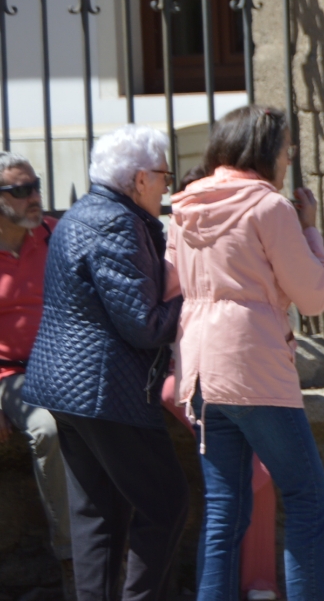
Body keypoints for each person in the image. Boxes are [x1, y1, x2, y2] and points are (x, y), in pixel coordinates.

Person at [168, 104, 324, 601]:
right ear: (265, 152)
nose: (288, 161)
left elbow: (172, 281)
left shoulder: (185, 206)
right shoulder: (269, 207)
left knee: (225, 510)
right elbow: (313, 296)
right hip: (253, 362)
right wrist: (311, 231)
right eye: (286, 151)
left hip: (199, 366)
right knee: (310, 499)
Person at [24, 125, 187, 601]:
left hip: (65, 390)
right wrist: (199, 295)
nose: (166, 186)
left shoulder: (80, 214)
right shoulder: (116, 222)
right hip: (104, 391)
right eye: (163, 175)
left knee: (99, 513)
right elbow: (145, 324)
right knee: (166, 503)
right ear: (140, 179)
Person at [0, 152, 73, 585]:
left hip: (67, 366)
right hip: (13, 374)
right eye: (20, 190)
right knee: (47, 430)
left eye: (36, 186)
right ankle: (71, 560)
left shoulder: (55, 235)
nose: (34, 198)